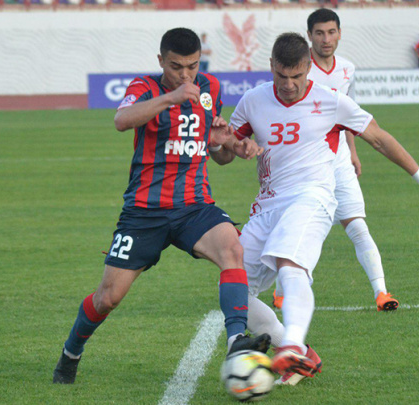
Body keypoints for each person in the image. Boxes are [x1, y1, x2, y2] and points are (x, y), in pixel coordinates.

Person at [227, 33, 419, 386]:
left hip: (312, 199)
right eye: (282, 76)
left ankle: (290, 345)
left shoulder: (331, 101)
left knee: (291, 263)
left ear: (308, 67)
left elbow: (379, 138)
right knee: (234, 288)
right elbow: (224, 151)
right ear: (272, 66)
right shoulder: (252, 100)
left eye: (297, 76)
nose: (289, 85)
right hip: (267, 205)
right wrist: (232, 146)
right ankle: (300, 351)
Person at [52, 27, 269, 385]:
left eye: (192, 67)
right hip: (144, 212)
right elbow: (122, 120)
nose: (186, 75)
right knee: (108, 298)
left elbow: (217, 154)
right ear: (161, 62)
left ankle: (236, 342)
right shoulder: (145, 87)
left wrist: (228, 144)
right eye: (176, 67)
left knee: (233, 249)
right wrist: (173, 97)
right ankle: (71, 352)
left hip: (194, 205)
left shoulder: (211, 89)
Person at [272, 8, 398, 315]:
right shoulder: (298, 70)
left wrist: (352, 151)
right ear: (309, 36)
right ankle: (281, 291)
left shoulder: (347, 69)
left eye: (331, 32)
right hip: (305, 164)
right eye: (319, 33)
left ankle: (381, 292)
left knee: (358, 225)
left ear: (339, 33)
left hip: (339, 160)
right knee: (297, 230)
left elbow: (349, 115)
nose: (326, 39)